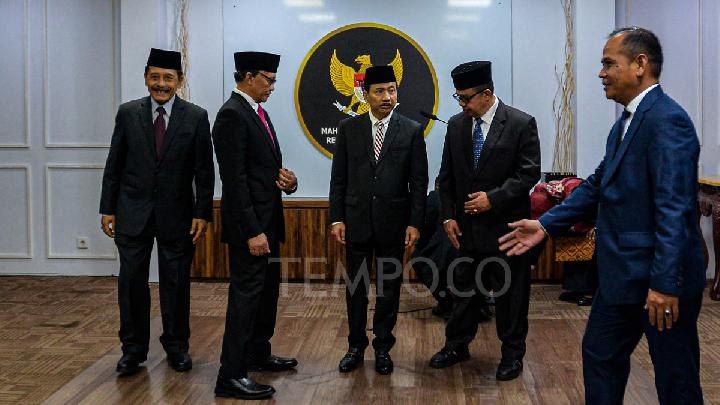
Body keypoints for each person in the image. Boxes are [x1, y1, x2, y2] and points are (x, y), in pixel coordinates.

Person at [499, 27, 705, 404]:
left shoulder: (667, 121)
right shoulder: (624, 124)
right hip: (620, 279)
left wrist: (664, 285)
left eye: (609, 64)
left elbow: (674, 210)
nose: (601, 73)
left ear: (640, 64)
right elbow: (596, 186)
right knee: (599, 355)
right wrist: (545, 225)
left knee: (676, 380)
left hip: (657, 282)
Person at [99, 48, 214, 376]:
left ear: (179, 81)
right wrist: (107, 208)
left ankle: (177, 347)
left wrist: (202, 213)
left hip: (178, 216)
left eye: (168, 78)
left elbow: (204, 171)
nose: (161, 84)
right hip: (131, 212)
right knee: (131, 284)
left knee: (175, 284)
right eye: (155, 77)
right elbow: (114, 164)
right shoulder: (127, 113)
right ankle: (132, 350)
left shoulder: (196, 116)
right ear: (146, 78)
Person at [429, 61, 540, 381]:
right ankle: (456, 346)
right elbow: (446, 177)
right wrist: (447, 216)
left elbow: (529, 173)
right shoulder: (456, 125)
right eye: (458, 98)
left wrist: (494, 198)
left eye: (466, 98)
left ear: (487, 94)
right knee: (463, 293)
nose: (462, 105)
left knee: (510, 297)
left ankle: (512, 355)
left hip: (508, 231)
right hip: (466, 230)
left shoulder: (520, 123)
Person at [329, 65, 428, 375]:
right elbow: (339, 178)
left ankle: (383, 347)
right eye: (380, 91)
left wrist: (415, 222)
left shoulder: (411, 130)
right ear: (365, 95)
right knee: (356, 289)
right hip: (356, 222)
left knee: (389, 289)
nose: (387, 96)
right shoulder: (349, 128)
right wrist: (336, 218)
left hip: (394, 225)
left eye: (392, 90)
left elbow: (419, 182)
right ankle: (355, 346)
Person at [212, 51, 299, 400]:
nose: (273, 86)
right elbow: (234, 182)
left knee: (266, 295)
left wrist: (288, 182)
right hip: (251, 229)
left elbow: (260, 171)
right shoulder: (232, 115)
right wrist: (252, 231)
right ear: (248, 77)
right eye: (269, 79)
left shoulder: (257, 112)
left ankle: (257, 353)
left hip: (268, 223)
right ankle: (230, 375)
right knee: (245, 301)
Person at [411, 178, 493, 321]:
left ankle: (447, 304)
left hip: (444, 260)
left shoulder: (435, 198)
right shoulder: (475, 200)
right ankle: (478, 304)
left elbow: (425, 230)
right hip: (479, 257)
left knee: (418, 259)